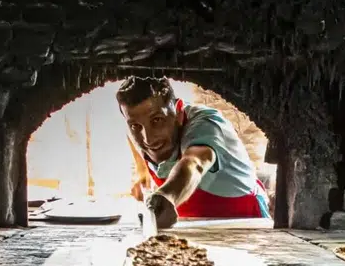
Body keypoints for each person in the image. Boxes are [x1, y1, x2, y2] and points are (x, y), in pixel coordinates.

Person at [116, 76, 271, 229]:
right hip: (192, 225)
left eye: (157, 120)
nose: (148, 139)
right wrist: (141, 169)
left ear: (179, 111)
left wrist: (166, 196)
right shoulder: (143, 135)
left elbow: (194, 163)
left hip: (245, 222)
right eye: (135, 126)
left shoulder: (206, 124)